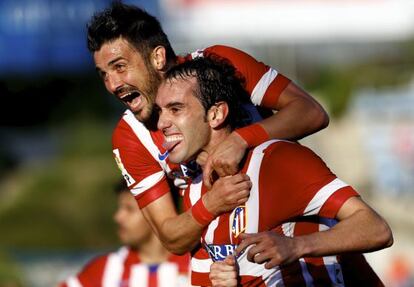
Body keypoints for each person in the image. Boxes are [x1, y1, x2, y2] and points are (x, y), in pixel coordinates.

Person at [86, 2, 329, 254]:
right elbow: (171, 238)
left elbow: (311, 113)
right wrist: (211, 204)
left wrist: (241, 139)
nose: (112, 84)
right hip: (237, 263)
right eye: (103, 74)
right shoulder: (131, 137)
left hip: (307, 238)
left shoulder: (221, 64)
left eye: (119, 66)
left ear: (157, 57)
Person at [155, 57, 393, 286]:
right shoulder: (194, 191)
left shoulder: (276, 160)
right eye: (160, 111)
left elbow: (375, 228)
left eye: (175, 109)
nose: (161, 124)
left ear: (216, 114)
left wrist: (296, 246)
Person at [58, 180, 190, 287]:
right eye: (120, 208)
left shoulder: (198, 262)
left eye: (129, 209)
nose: (118, 217)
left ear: (157, 212)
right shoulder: (104, 269)